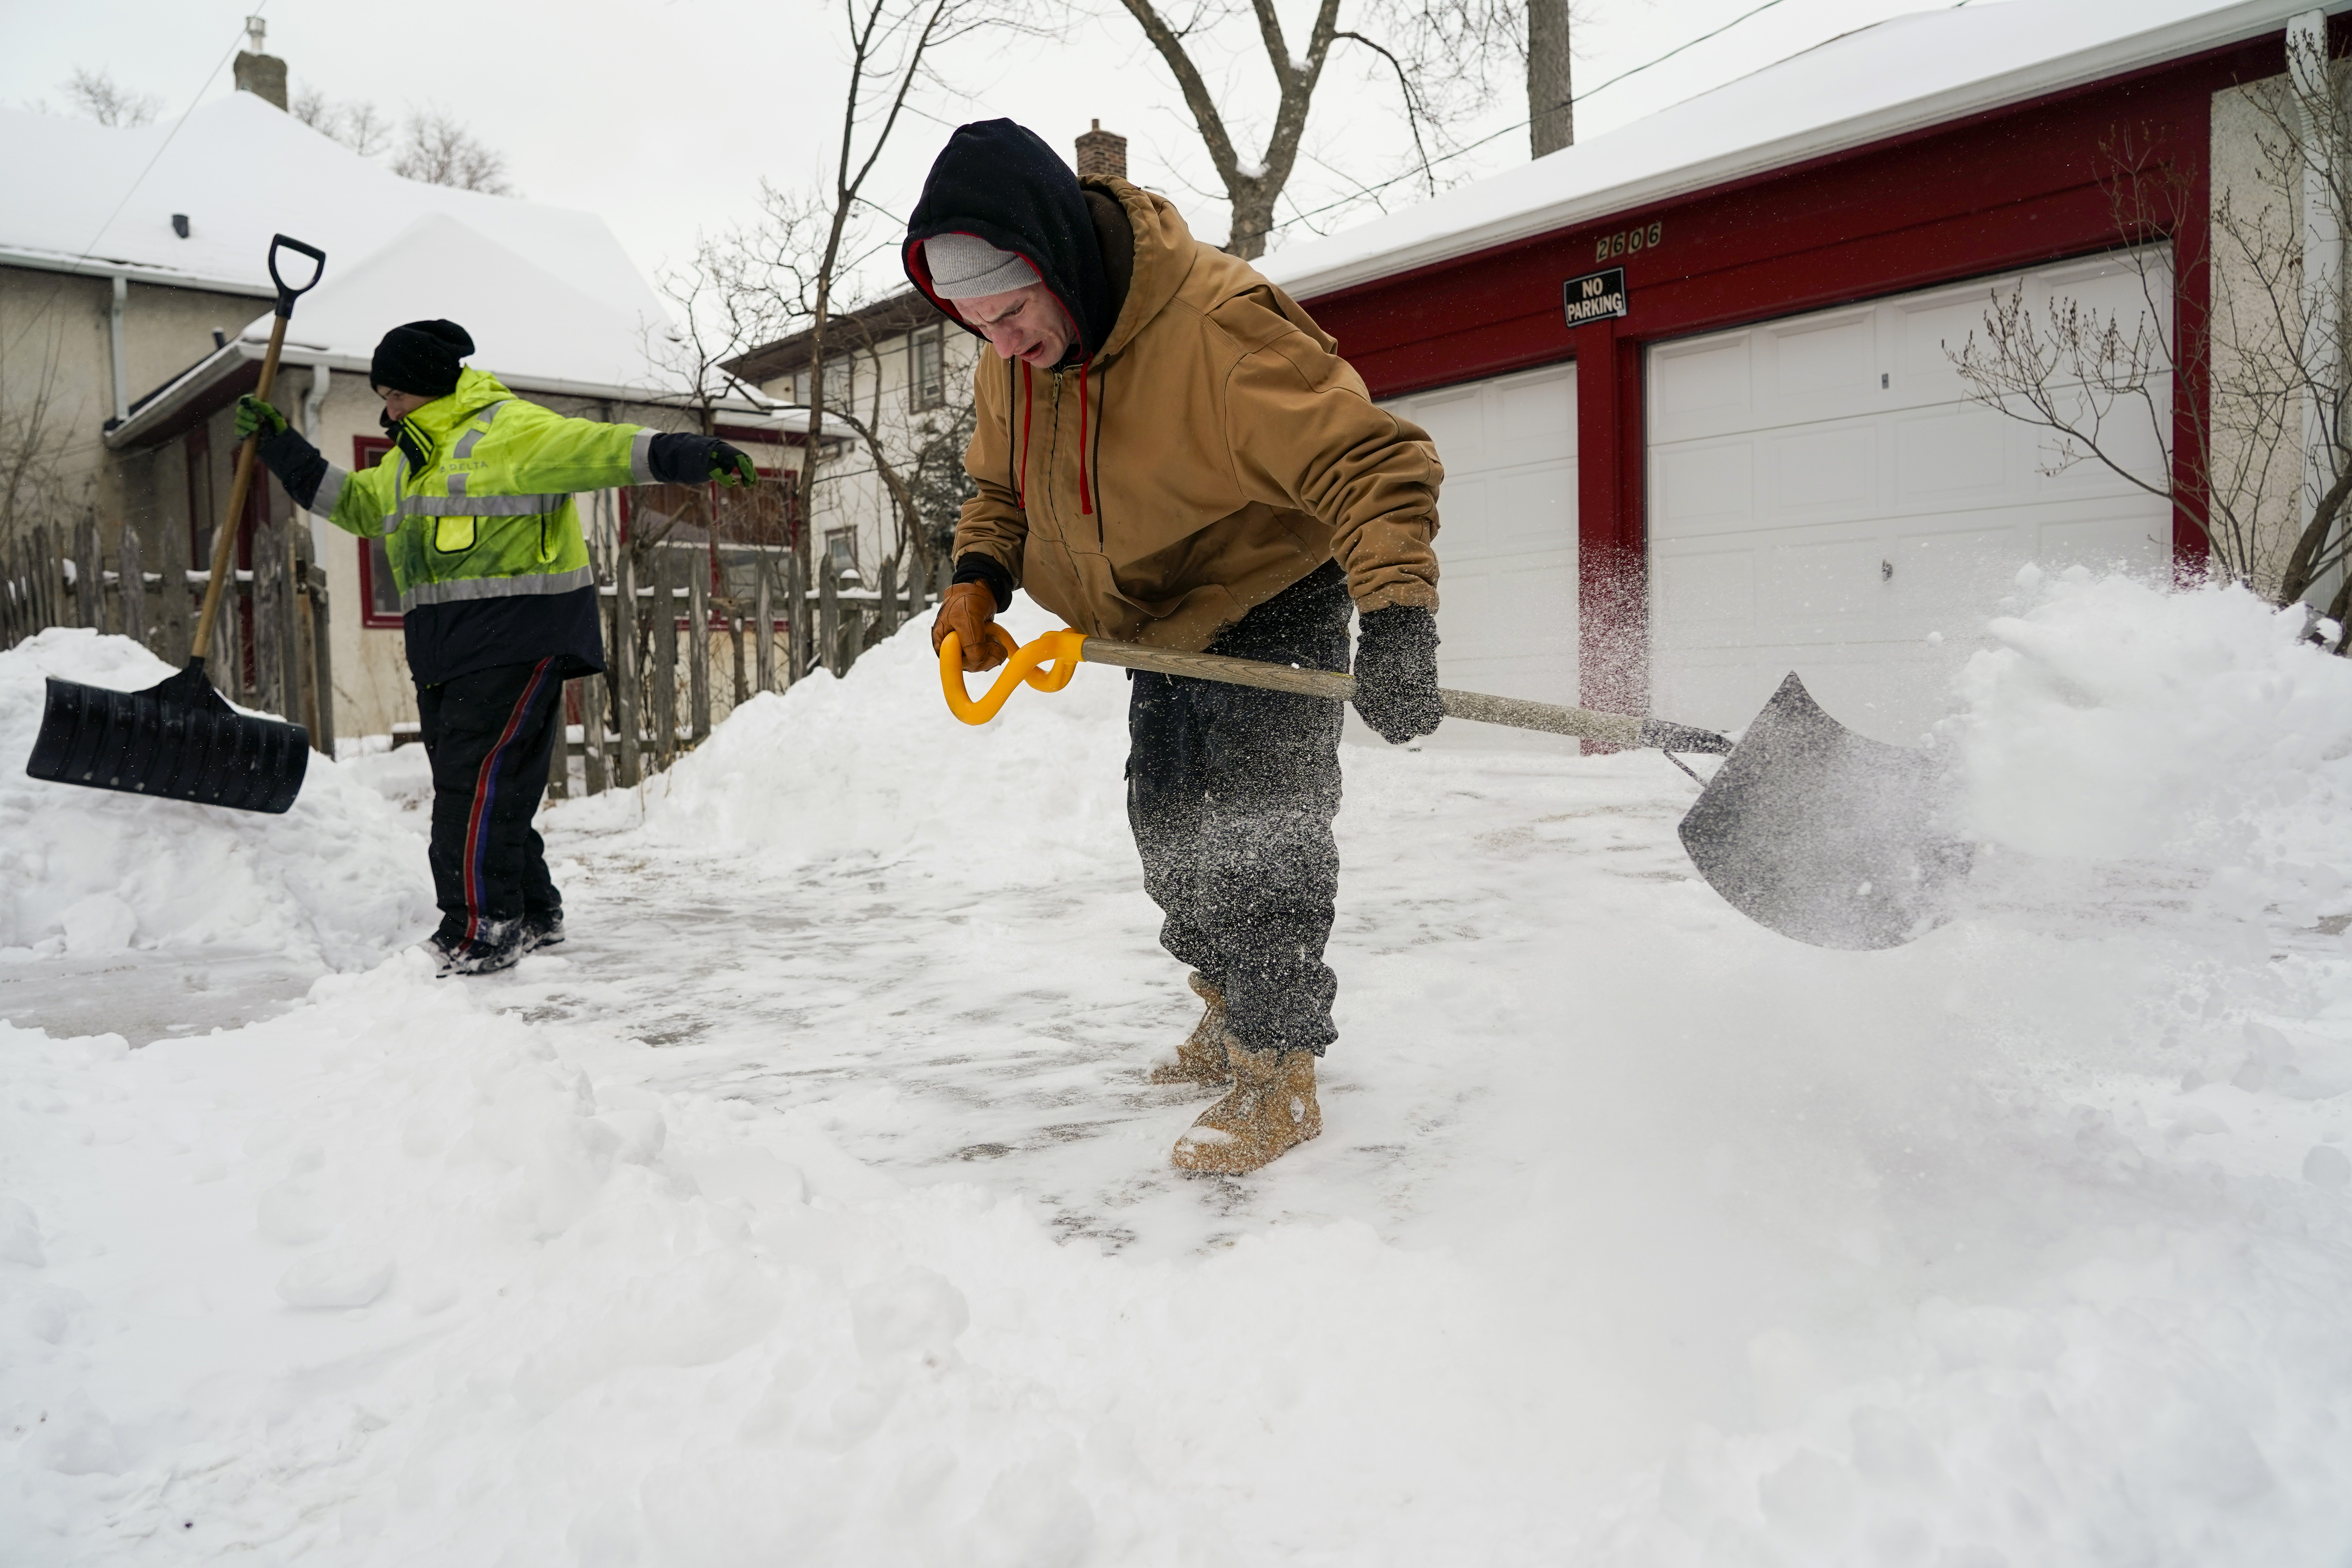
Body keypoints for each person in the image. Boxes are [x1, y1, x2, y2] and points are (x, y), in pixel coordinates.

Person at [907, 120, 1445, 1176]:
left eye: (1010, 314)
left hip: (1269, 595)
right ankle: (1228, 1004)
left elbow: (1371, 464)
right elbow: (998, 489)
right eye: (976, 326)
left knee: (1263, 834)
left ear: (1058, 260)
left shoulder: (1217, 331)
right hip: (1153, 621)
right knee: (1168, 832)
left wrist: (1396, 618)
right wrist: (978, 576)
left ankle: (1278, 1067)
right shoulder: (1011, 364)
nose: (1001, 344)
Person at [235, 319, 759, 975]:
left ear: (428, 386)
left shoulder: (509, 430)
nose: (387, 410)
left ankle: (480, 930)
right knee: (492, 786)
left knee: (472, 787)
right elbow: (359, 506)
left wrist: (692, 454)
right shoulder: (409, 460)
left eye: (395, 395)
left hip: (517, 633)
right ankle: (533, 911)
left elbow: (601, 448)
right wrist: (281, 447)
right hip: (446, 648)